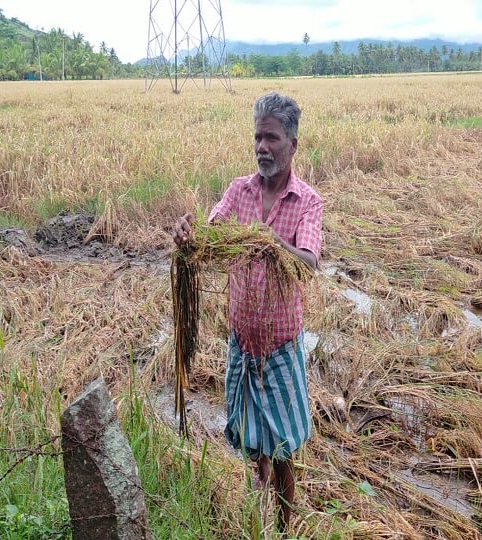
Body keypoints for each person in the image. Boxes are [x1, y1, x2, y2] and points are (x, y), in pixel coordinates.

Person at [172, 92, 323, 531]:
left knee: (284, 449)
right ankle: (259, 496)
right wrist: (188, 233)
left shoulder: (307, 201)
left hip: (279, 347)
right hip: (242, 342)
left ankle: (284, 523)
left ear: (292, 143)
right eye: (258, 137)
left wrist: (267, 240)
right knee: (253, 440)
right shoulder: (239, 191)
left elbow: (309, 263)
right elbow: (207, 234)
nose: (262, 147)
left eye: (272, 138)